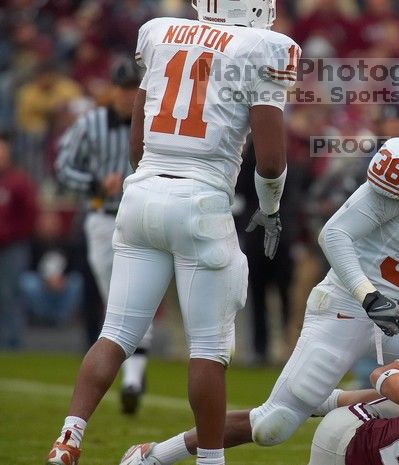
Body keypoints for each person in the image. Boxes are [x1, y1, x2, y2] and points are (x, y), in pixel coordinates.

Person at [117, 105, 399, 464]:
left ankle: (384, 424)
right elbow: (334, 234)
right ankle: (156, 454)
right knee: (272, 426)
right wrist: (367, 295)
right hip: (347, 305)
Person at [45, 0, 299, 463]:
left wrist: (150, 180)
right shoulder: (265, 48)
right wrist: (270, 208)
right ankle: (210, 460)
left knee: (116, 332)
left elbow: (137, 139)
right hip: (201, 200)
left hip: (141, 193)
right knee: (207, 350)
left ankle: (69, 437)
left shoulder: (161, 32)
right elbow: (270, 161)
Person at [55, 56, 154, 415]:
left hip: (142, 216)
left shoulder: (152, 120)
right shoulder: (91, 123)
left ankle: (132, 377)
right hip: (102, 215)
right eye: (125, 89)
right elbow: (63, 167)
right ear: (113, 89)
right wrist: (95, 183)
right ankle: (133, 372)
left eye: (134, 89)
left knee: (136, 295)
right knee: (116, 297)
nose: (129, 96)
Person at [0, 134, 38, 349]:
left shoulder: (18, 181)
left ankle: (12, 340)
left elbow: (30, 212)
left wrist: (16, 233)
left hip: (13, 246)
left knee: (11, 293)